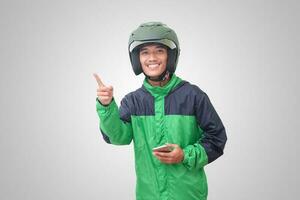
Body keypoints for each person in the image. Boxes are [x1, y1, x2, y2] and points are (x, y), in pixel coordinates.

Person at [94, 22, 227, 200]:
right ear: (137, 59)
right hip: (148, 195)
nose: (152, 58)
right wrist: (106, 106)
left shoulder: (193, 96)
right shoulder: (133, 101)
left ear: (170, 56)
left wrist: (184, 155)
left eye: (159, 51)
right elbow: (117, 137)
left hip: (187, 195)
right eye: (145, 52)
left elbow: (217, 139)